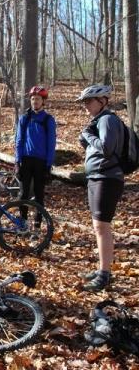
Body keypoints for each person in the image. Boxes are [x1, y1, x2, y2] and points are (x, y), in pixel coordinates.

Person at [76, 84, 125, 291]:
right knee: (99, 226)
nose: (86, 106)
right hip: (97, 177)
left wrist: (87, 136)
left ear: (103, 101)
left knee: (102, 226)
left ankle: (104, 275)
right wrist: (87, 136)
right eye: (84, 102)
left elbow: (106, 148)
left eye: (89, 101)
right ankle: (102, 269)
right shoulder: (99, 121)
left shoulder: (107, 119)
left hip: (107, 178)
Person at [14, 85, 57, 226]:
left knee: (39, 194)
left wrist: (48, 166)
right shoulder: (24, 118)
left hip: (41, 162)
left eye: (38, 99)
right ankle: (23, 222)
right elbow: (19, 140)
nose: (35, 102)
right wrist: (17, 162)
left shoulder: (48, 120)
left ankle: (37, 224)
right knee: (23, 194)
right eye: (33, 99)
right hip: (25, 160)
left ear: (43, 101)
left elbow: (51, 144)